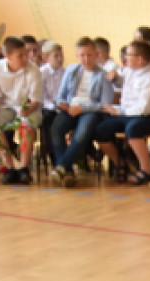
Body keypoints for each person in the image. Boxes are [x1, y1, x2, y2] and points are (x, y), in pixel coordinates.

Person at [94, 39, 150, 185]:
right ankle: (120, 162)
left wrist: (118, 110)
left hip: (147, 117)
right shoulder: (128, 71)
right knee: (101, 130)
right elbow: (118, 80)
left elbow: (142, 109)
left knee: (133, 128)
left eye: (129, 55)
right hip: (126, 114)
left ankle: (146, 170)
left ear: (140, 59)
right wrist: (115, 76)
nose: (125, 58)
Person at [50, 36, 115, 187]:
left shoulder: (103, 74)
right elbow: (60, 95)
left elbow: (105, 104)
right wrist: (64, 105)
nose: (86, 59)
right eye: (82, 55)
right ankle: (67, 172)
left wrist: (83, 109)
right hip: (71, 108)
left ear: (97, 54)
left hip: (91, 111)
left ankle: (61, 167)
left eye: (89, 55)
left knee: (82, 132)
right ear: (77, 56)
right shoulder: (71, 70)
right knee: (56, 128)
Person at [0, 36, 42, 184]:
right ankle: (9, 167)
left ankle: (24, 169)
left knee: (27, 126)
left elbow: (35, 100)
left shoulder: (33, 69)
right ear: (7, 56)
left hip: (28, 108)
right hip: (6, 107)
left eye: (25, 54)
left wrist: (26, 111)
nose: (25, 58)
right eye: (20, 55)